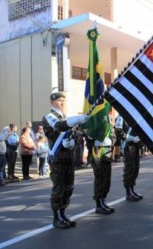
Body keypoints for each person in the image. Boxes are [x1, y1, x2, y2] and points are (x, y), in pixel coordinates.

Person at [42, 92, 89, 229]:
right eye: (59, 101)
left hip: (68, 158)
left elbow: (77, 134)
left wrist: (74, 141)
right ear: (52, 102)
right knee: (59, 188)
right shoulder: (49, 117)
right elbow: (59, 127)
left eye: (64, 100)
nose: (62, 103)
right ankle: (56, 217)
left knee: (69, 187)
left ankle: (63, 213)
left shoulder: (66, 118)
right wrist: (76, 120)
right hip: (57, 159)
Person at [115, 115, 143, 201]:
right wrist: (130, 138)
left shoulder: (134, 114)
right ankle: (128, 193)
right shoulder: (121, 117)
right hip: (128, 146)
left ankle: (132, 189)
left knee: (135, 168)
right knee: (129, 169)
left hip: (135, 145)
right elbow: (119, 132)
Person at [91, 120, 116, 214]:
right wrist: (97, 141)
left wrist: (110, 141)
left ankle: (103, 201)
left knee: (106, 179)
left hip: (107, 154)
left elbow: (113, 136)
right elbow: (89, 137)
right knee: (100, 178)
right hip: (98, 153)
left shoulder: (107, 122)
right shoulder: (94, 121)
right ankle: (98, 204)